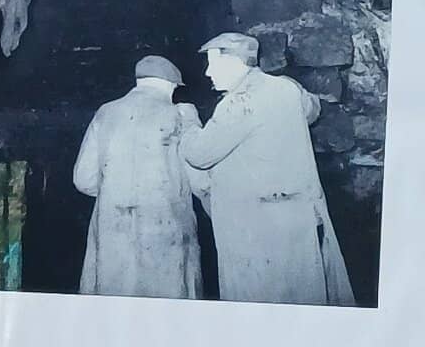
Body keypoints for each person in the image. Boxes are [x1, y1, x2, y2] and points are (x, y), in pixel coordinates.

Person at [179, 31, 354, 306]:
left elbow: (198, 155)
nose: (209, 72)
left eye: (215, 64)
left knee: (257, 302)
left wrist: (188, 123)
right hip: (298, 216)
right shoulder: (287, 88)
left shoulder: (237, 103)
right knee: (303, 296)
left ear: (237, 63)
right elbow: (312, 110)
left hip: (256, 227)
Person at [73, 55, 203, 300]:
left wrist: (116, 190)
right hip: (167, 228)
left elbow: (83, 179)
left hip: (112, 227)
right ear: (172, 85)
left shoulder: (106, 112)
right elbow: (200, 179)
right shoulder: (180, 114)